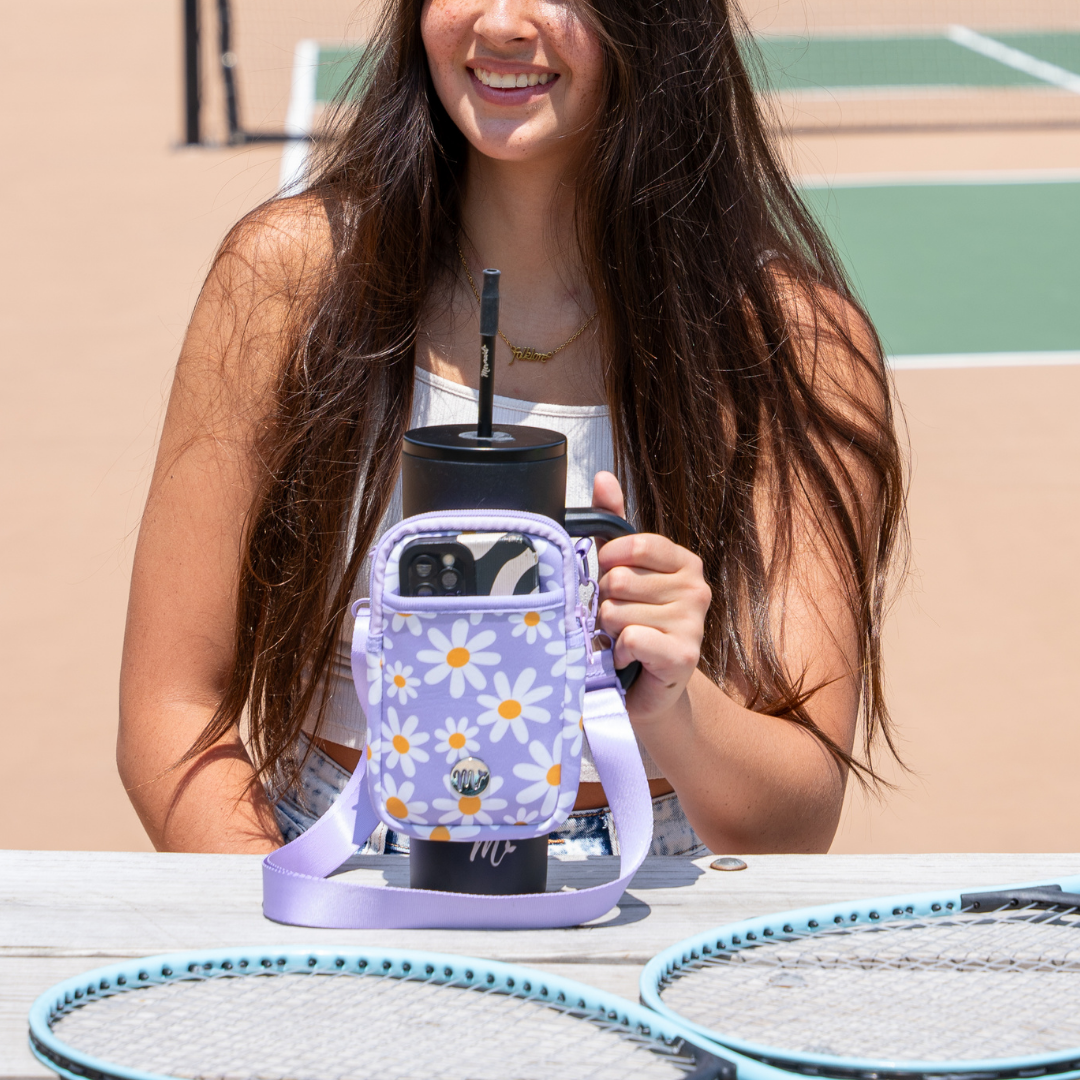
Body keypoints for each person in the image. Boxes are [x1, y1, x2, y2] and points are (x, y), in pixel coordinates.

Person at [118, 0, 905, 858]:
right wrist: (287, 925)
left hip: (654, 890)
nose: (502, 23)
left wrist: (676, 701)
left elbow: (796, 822)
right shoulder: (288, 279)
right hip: (337, 849)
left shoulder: (799, 347)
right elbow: (172, 711)